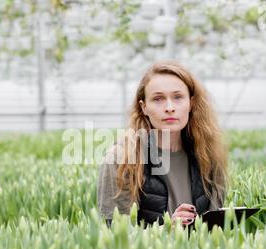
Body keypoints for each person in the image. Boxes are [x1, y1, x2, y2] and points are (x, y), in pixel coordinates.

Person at [97, 60, 228, 229]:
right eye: (158, 99)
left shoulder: (208, 155)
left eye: (178, 97)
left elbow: (215, 227)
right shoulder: (121, 158)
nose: (169, 107)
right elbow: (115, 233)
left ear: (191, 103)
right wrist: (167, 229)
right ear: (144, 107)